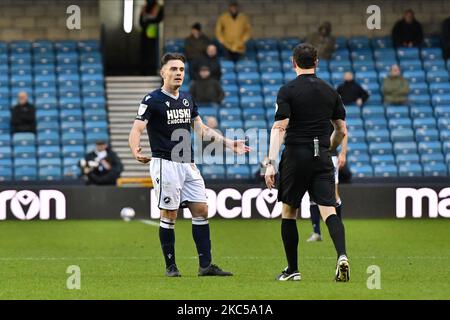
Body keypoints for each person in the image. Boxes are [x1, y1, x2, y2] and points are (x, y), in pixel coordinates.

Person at [128, 53, 250, 277]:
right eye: (173, 69)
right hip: (166, 163)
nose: (178, 73)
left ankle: (205, 266)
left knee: (202, 210)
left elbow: (202, 130)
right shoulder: (151, 100)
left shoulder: (187, 98)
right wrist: (135, 149)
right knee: (170, 214)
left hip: (188, 163)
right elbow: (136, 129)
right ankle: (171, 266)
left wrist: (228, 143)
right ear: (162, 72)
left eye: (182, 70)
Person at [264, 43, 349, 282]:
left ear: (294, 63)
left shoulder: (287, 90)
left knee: (289, 212)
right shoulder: (331, 91)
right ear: (316, 63)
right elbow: (341, 130)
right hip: (321, 155)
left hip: (295, 154)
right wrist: (328, 147)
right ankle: (341, 256)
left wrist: (269, 162)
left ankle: (293, 270)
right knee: (329, 209)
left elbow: (280, 127)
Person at [307, 131, 348, 242]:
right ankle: (316, 232)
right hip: (311, 156)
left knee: (333, 194)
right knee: (312, 194)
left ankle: (339, 228)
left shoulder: (330, 114)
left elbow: (343, 131)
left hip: (330, 156)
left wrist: (343, 153)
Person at [139, 0, 164, 75]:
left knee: (152, 54)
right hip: (144, 34)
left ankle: (152, 71)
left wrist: (147, 19)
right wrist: (146, 20)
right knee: (144, 54)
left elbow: (158, 19)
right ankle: (144, 71)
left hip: (154, 36)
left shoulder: (159, 7)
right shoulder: (144, 7)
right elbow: (140, 21)